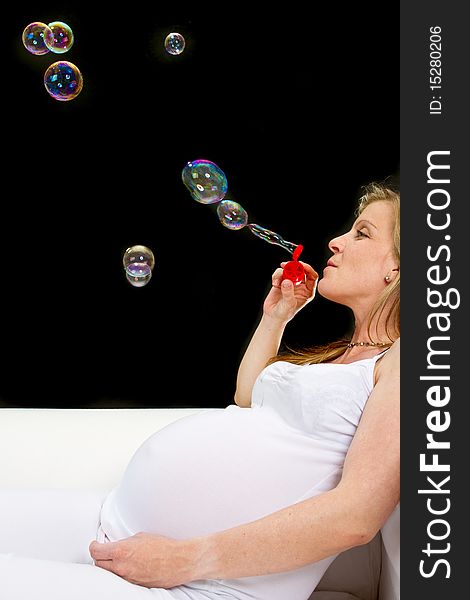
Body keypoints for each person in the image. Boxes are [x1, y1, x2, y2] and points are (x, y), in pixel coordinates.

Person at [0, 181, 400, 600]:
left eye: (362, 233)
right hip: (113, 521)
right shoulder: (345, 355)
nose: (336, 242)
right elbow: (250, 399)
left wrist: (185, 559)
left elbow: (357, 515)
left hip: (197, 584)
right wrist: (277, 316)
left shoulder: (407, 360)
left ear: (399, 266)